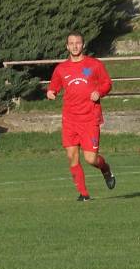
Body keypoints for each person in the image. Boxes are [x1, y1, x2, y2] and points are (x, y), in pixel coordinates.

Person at [47, 31, 116, 201]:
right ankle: (84, 194)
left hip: (90, 119)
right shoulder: (61, 68)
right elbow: (54, 86)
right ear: (67, 46)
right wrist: (51, 92)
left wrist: (99, 92)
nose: (75, 46)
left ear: (83, 45)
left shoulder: (94, 65)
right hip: (70, 120)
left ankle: (105, 169)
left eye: (78, 43)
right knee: (72, 157)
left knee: (91, 159)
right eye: (71, 43)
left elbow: (107, 84)